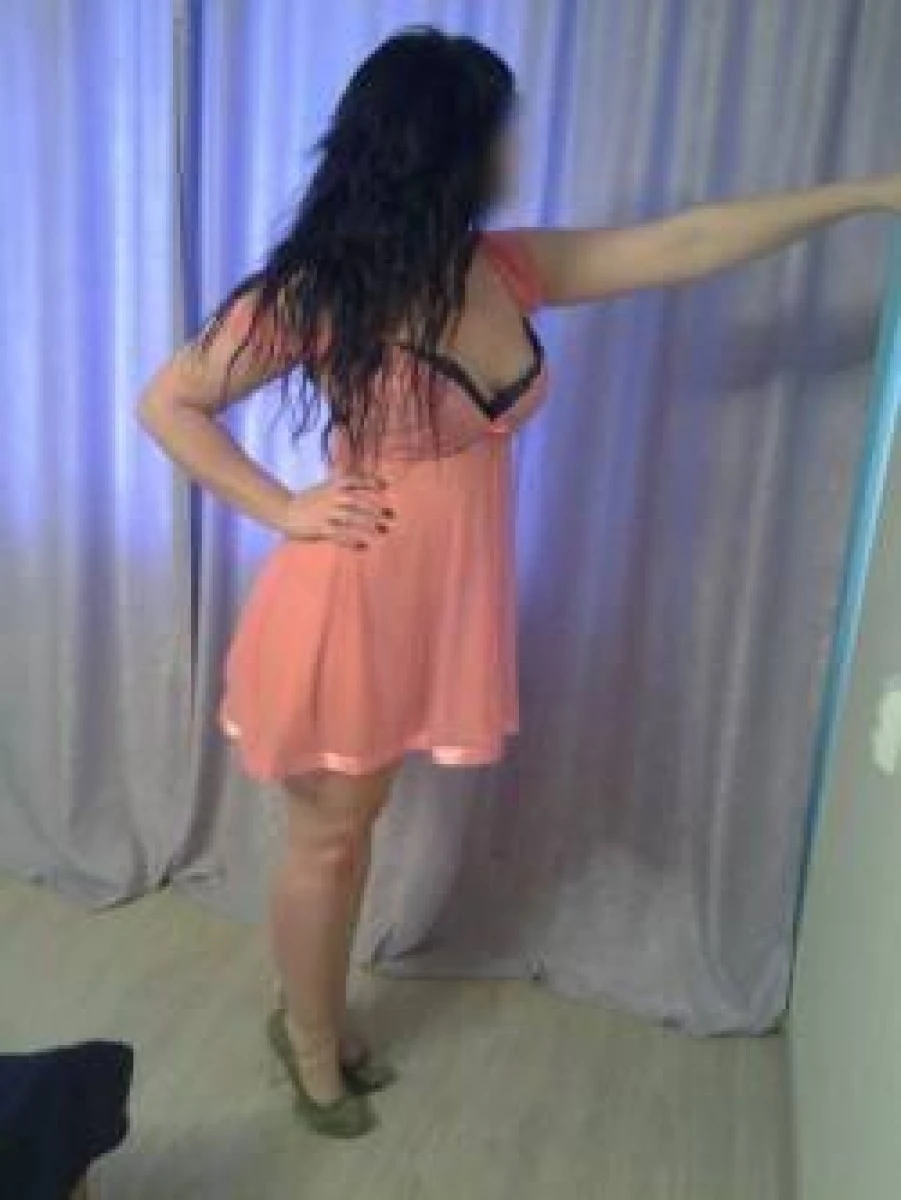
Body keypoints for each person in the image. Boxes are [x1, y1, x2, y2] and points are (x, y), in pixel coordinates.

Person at [136, 24, 901, 1137]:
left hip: (443, 609)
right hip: (347, 603)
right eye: (499, 130)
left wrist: (869, 193)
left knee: (359, 829)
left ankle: (314, 1014)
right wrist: (284, 507)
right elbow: (169, 402)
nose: (513, 150)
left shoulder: (503, 268)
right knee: (332, 839)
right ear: (444, 147)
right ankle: (307, 1038)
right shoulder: (321, 292)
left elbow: (685, 241)